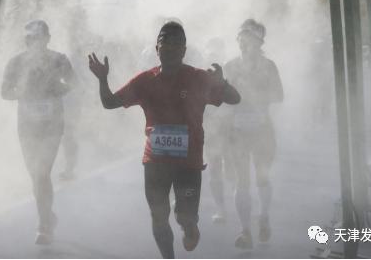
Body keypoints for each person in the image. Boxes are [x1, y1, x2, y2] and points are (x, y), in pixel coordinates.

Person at [88, 21, 240, 258]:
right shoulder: (145, 80)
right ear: (156, 49)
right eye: (164, 43)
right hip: (155, 162)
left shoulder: (198, 78)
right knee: (158, 216)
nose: (170, 48)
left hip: (188, 164)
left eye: (176, 43)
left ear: (184, 50)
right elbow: (109, 103)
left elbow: (234, 99)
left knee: (184, 216)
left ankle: (189, 227)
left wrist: (222, 83)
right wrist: (102, 79)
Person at [1, 19, 75, 244]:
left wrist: (57, 89)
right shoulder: (15, 63)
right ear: (25, 40)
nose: (33, 42)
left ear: (47, 39)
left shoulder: (59, 60)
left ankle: (43, 225)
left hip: (52, 125)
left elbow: (73, 83)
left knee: (42, 173)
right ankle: (47, 216)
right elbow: (4, 92)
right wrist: (21, 92)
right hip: (26, 126)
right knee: (36, 175)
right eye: (29, 38)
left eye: (38, 37)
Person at [223, 19, 283, 249]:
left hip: (262, 128)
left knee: (262, 177)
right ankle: (245, 230)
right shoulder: (230, 66)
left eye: (248, 39)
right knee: (241, 180)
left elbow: (280, 95)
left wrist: (257, 96)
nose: (243, 43)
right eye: (240, 39)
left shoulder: (269, 66)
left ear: (259, 42)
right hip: (237, 130)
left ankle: (264, 217)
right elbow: (221, 99)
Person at [202, 36, 233, 223]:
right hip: (211, 129)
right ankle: (221, 209)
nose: (213, 55)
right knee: (214, 168)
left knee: (232, 168)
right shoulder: (201, 74)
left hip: (230, 128)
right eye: (210, 51)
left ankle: (240, 199)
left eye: (216, 51)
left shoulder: (230, 70)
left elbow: (239, 98)